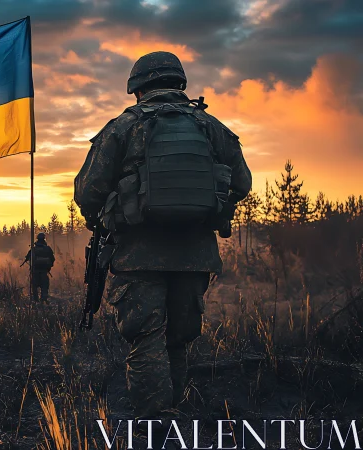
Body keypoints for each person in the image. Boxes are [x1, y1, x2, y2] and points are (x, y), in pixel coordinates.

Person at [73, 51, 252, 445]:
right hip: (195, 255)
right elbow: (242, 182)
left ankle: (156, 425)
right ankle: (176, 415)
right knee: (179, 335)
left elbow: (87, 190)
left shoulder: (123, 127)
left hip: (138, 255)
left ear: (137, 88)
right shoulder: (209, 126)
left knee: (146, 336)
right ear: (180, 82)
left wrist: (108, 215)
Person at [24, 232, 55, 302]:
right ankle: (43, 300)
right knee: (44, 286)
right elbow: (52, 259)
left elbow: (28, 258)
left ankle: (36, 301)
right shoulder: (47, 249)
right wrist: (49, 266)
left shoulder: (33, 249)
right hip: (44, 271)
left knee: (34, 287)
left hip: (35, 271)